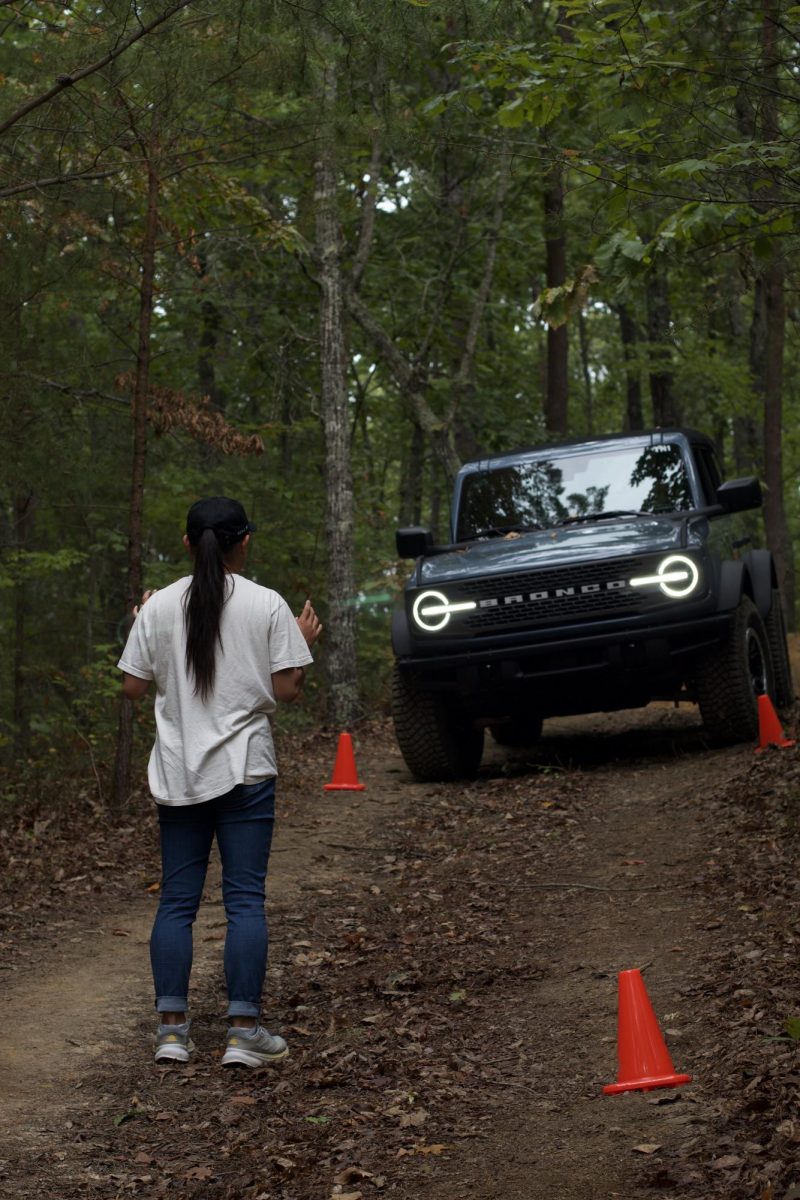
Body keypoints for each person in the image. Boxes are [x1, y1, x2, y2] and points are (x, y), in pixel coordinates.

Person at [117, 496, 322, 1068]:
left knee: (177, 901)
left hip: (179, 772)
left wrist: (144, 629)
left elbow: (132, 689)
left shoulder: (158, 608)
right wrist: (303, 645)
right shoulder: (268, 605)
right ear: (244, 542)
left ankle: (172, 1032)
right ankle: (242, 1032)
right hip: (245, 772)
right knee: (244, 900)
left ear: (187, 544)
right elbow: (285, 689)